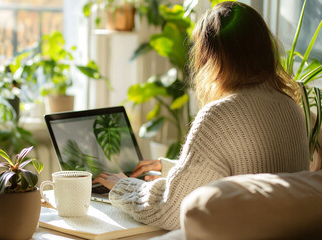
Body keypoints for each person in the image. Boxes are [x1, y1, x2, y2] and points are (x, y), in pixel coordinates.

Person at [92, 1, 310, 230]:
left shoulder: (220, 116)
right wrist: (173, 169)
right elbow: (246, 175)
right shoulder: (290, 108)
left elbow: (172, 212)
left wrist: (123, 186)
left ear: (212, 57)